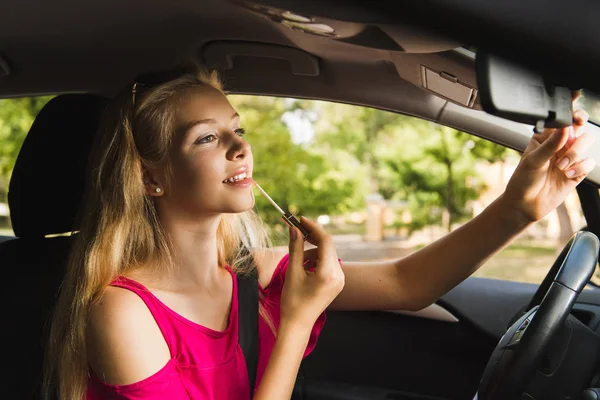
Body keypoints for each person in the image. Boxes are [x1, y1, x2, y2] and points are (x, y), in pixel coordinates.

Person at [43, 64, 595, 400]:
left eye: (237, 129)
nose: (240, 147)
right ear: (151, 177)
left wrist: (519, 208)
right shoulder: (121, 312)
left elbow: (407, 283)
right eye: (206, 139)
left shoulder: (246, 273)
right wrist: (297, 320)